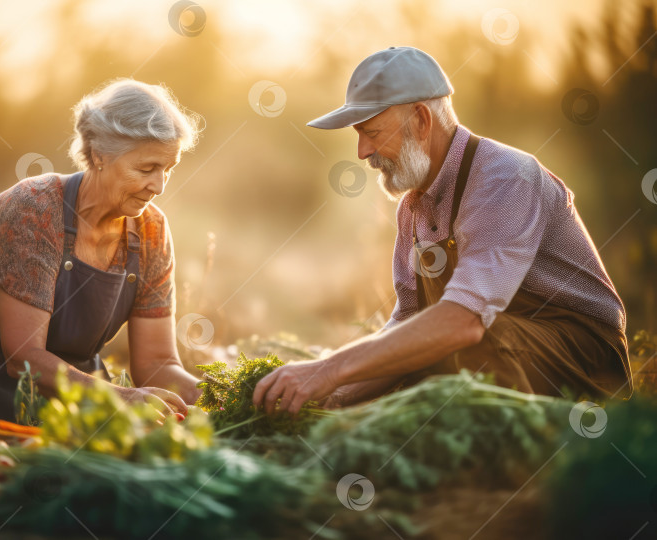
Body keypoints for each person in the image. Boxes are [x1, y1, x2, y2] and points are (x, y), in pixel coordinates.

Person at [253, 47, 633, 415]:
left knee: (448, 347)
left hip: (585, 360)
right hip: (495, 349)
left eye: (371, 131)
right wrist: (323, 397)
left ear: (421, 120)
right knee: (418, 350)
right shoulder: (413, 207)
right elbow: (407, 326)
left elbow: (463, 324)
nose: (362, 151)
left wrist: (329, 368)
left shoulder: (505, 178)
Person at [0, 79, 202, 423]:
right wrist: (122, 398)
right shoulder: (33, 210)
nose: (159, 186)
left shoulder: (151, 231)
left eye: (169, 169)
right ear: (100, 154)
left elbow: (157, 363)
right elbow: (23, 358)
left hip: (73, 404)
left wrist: (220, 396)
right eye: (147, 168)